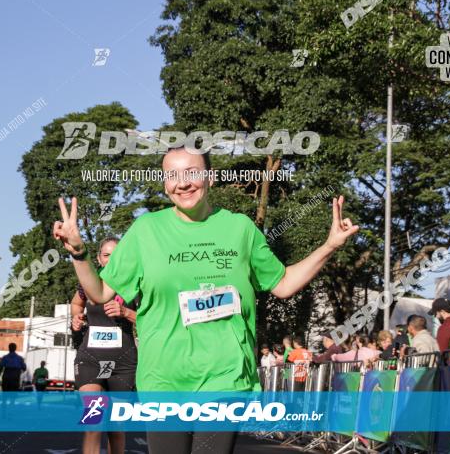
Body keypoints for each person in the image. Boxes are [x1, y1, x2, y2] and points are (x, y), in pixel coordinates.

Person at [53, 146, 360, 454]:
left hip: (224, 376)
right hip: (164, 380)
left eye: (191, 173)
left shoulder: (240, 228)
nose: (182, 183)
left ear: (210, 178)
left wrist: (329, 245)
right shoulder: (146, 230)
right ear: (164, 184)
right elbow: (101, 293)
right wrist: (78, 252)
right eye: (172, 175)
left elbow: (282, 283)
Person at [70, 237, 137, 454]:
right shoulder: (89, 284)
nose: (111, 259)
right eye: (106, 255)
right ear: (99, 258)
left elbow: (152, 318)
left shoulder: (135, 285)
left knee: (116, 427)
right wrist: (76, 317)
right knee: (94, 421)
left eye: (116, 254)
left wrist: (126, 312)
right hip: (90, 359)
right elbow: (76, 303)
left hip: (123, 363)